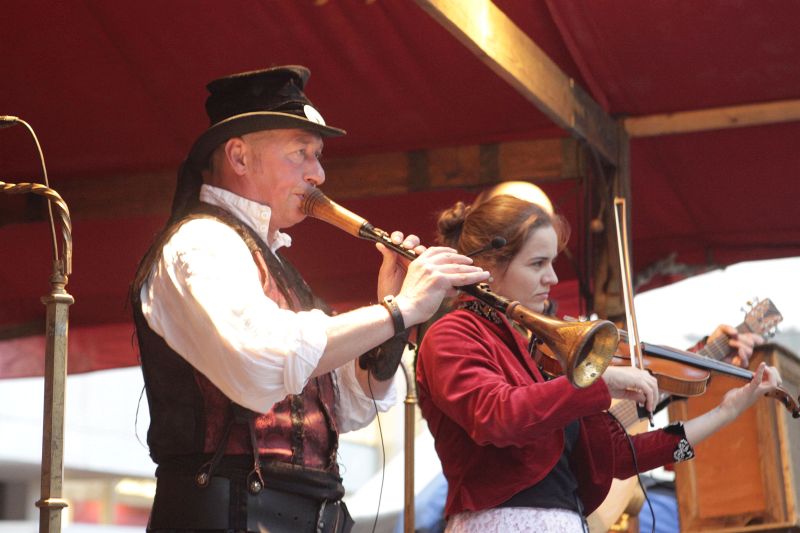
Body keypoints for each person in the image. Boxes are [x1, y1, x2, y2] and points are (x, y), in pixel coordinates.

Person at [130, 65, 489, 532]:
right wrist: (399, 311)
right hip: (230, 513)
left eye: (317, 156)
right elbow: (263, 360)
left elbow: (351, 405)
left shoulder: (274, 264)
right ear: (239, 157)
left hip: (306, 512)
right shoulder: (200, 242)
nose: (318, 173)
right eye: (300, 153)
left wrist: (393, 316)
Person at [414, 193, 781, 532]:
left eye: (552, 262)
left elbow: (618, 456)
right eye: (538, 263)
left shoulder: (536, 349)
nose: (552, 278)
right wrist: (598, 384)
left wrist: (727, 412)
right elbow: (496, 416)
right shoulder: (453, 333)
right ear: (488, 267)